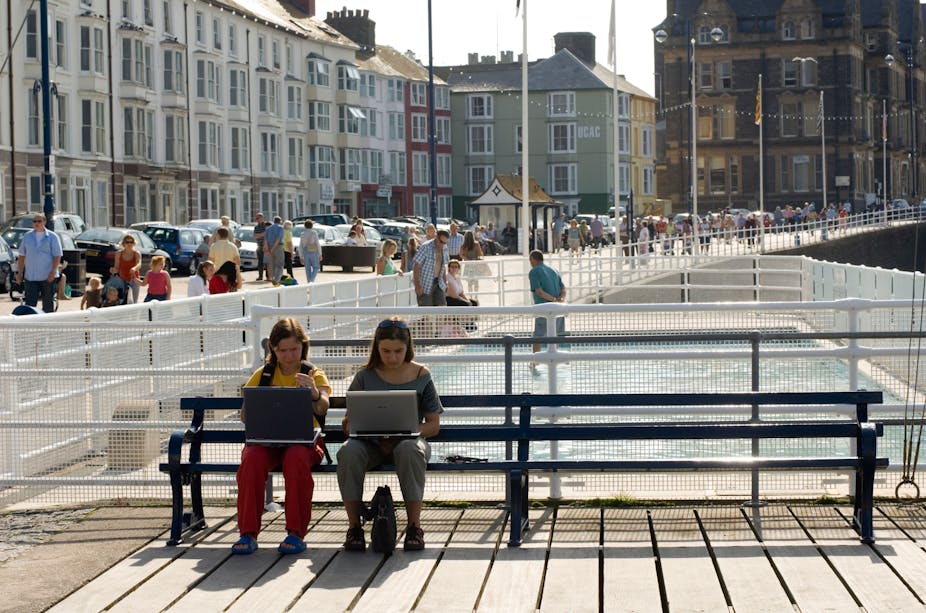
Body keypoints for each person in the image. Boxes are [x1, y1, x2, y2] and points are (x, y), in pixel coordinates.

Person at [337, 317, 442, 552]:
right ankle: (354, 527)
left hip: (408, 442)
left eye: (398, 351)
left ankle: (414, 526)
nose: (392, 357)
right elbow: (348, 421)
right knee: (347, 452)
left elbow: (433, 425)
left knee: (409, 449)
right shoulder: (364, 376)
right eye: (386, 351)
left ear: (408, 348)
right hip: (370, 444)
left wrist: (407, 432)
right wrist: (353, 425)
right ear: (376, 348)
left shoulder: (421, 375)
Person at [232, 318, 330, 555]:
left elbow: (323, 407)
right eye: (282, 350)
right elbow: (246, 415)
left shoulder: (313, 373)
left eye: (294, 349)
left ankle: (295, 533)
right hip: (268, 441)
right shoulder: (263, 374)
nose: (288, 355)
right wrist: (259, 406)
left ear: (303, 347)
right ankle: (247, 533)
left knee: (295, 458)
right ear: (273, 349)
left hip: (303, 442)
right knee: (252, 458)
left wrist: (314, 393)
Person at [16, 213, 63, 313]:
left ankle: (47, 326)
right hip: (31, 277)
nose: (36, 223)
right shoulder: (27, 236)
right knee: (30, 304)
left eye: (39, 221)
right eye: (34, 221)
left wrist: (53, 271)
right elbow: (21, 255)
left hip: (48, 276)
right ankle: (30, 326)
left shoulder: (52, 237)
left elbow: (57, 255)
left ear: (44, 222)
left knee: (47, 303)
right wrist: (19, 273)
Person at [528, 250, 566, 354]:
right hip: (559, 308)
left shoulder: (534, 271)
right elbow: (563, 288)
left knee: (537, 337)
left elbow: (539, 292)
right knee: (555, 335)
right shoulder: (554, 270)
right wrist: (560, 300)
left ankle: (535, 362)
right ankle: (554, 361)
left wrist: (553, 300)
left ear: (532, 260)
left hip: (544, 308)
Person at [412, 229, 449, 306]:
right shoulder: (426, 247)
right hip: (425, 283)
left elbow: (443, 266)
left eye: (445, 243)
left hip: (439, 282)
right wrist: (417, 286)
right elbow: (416, 265)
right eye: (441, 242)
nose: (442, 244)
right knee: (427, 312)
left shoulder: (445, 248)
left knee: (442, 308)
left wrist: (445, 283)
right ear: (436, 237)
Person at [111, 234, 142, 303]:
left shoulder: (137, 253)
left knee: (134, 301)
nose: (129, 244)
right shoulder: (119, 253)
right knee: (123, 300)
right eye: (127, 242)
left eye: (131, 242)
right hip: (123, 279)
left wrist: (134, 268)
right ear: (123, 243)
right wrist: (113, 270)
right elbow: (117, 267)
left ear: (134, 243)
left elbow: (139, 264)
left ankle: (134, 313)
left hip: (134, 279)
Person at [265, 216, 285, 284]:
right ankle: (276, 279)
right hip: (278, 247)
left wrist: (268, 250)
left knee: (272, 264)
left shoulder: (268, 229)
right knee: (279, 264)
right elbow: (278, 239)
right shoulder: (280, 228)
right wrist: (273, 249)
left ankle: (273, 277)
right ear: (280, 221)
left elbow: (266, 240)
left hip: (269, 247)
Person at [253, 213, 269, 281]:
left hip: (266, 245)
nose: (256, 220)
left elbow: (266, 234)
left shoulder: (266, 225)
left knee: (267, 262)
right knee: (260, 262)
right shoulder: (256, 227)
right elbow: (254, 236)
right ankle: (260, 276)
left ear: (262, 218)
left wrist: (259, 235)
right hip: (259, 245)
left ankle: (268, 276)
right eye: (256, 218)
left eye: (257, 218)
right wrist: (261, 234)